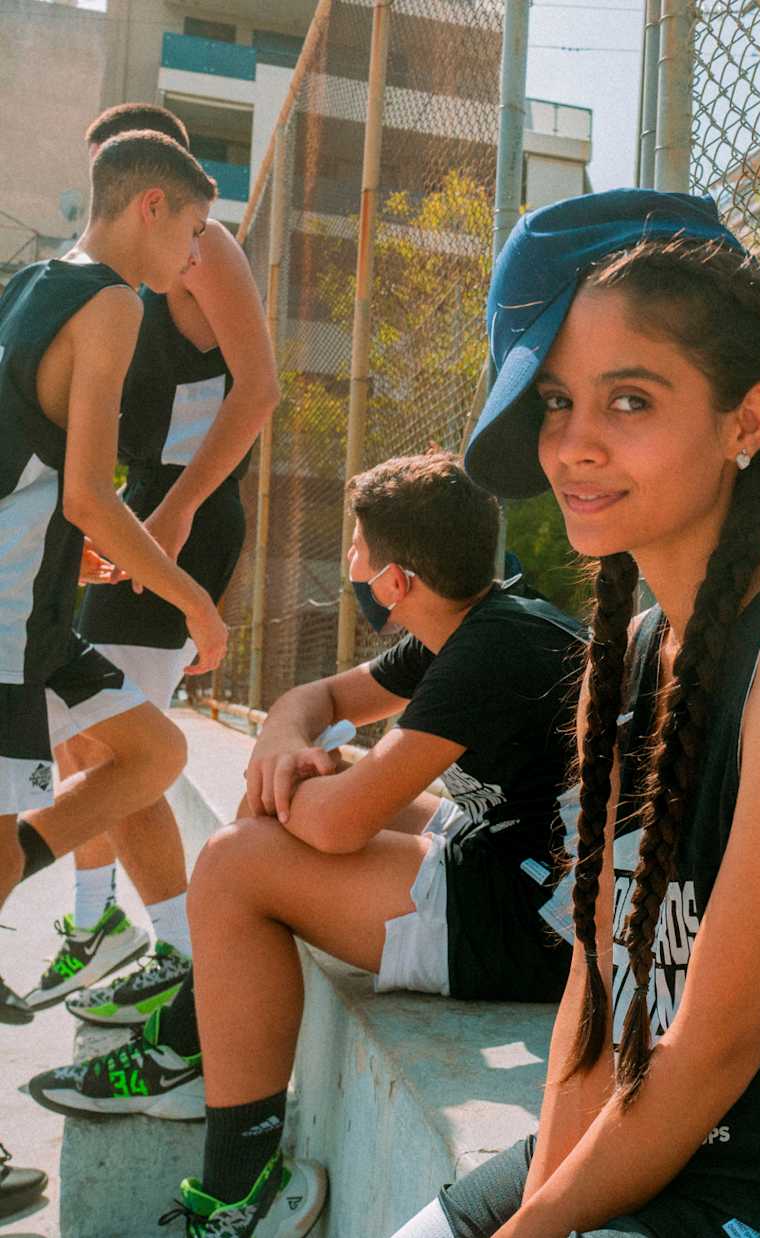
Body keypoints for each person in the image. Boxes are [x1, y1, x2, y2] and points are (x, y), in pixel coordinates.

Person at [391, 190, 760, 1238]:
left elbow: (714, 1046)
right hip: (654, 1138)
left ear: (744, 421)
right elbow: (597, 993)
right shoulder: (628, 653)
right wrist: (542, 1207)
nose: (573, 445)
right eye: (554, 402)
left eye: (629, 400)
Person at [29, 453, 585, 1237]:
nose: (349, 564)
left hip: (542, 924)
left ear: (395, 581)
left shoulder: (488, 652)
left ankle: (239, 1188)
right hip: (520, 856)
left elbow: (337, 825)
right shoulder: (474, 620)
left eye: (355, 549)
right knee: (303, 796)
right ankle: (188, 1044)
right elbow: (313, 698)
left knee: (236, 864)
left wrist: (295, 779)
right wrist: (290, 753)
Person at [22, 104, 279, 1023]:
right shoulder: (100, 280)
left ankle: (177, 949)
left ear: (153, 193)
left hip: (184, 512)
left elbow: (260, 391)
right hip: (128, 513)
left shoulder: (205, 252)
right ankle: (101, 923)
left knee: (124, 739)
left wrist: (174, 512)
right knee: (94, 740)